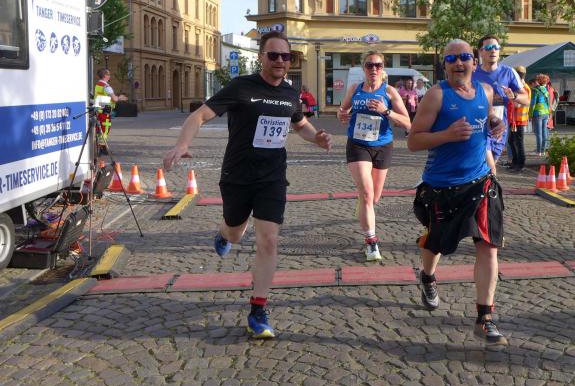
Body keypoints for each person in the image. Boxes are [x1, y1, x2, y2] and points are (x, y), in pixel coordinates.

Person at [162, 31, 332, 339]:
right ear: (261, 57)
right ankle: (224, 233)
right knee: (236, 232)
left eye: (285, 56)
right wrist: (181, 144)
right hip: (238, 175)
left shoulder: (291, 93)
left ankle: (258, 310)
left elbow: (300, 124)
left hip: (272, 177)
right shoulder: (241, 87)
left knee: (269, 240)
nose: (280, 61)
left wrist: (316, 137)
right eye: (273, 55)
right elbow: (199, 116)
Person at [408, 38, 507, 346]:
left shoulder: (486, 91)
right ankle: (427, 277)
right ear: (444, 66)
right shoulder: (436, 96)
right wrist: (447, 135)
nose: (459, 63)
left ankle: (484, 317)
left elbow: (484, 120)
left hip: (480, 182)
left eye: (464, 57)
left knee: (488, 246)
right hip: (442, 186)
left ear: (474, 62)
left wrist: (494, 123)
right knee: (436, 243)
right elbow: (413, 141)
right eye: (451, 59)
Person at [338, 52, 411, 261]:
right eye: (370, 65)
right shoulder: (355, 89)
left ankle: (363, 205)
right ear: (364, 68)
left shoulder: (389, 91)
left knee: (374, 197)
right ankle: (371, 242)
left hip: (383, 146)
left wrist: (386, 111)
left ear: (383, 68)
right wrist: (341, 115)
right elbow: (342, 110)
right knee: (367, 194)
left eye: (378, 65)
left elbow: (408, 123)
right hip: (358, 144)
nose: (374, 69)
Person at [472, 35, 529, 163]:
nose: (493, 50)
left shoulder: (508, 72)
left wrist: (514, 96)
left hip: (499, 128)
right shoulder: (472, 73)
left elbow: (526, 99)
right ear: (481, 51)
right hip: (477, 127)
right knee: (484, 166)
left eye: (496, 47)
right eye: (489, 47)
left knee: (491, 165)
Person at [94, 68, 128, 155]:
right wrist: (120, 97)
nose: (110, 76)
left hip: (99, 110)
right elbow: (114, 99)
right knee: (105, 130)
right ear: (105, 75)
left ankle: (101, 147)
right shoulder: (106, 87)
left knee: (99, 129)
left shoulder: (98, 85)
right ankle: (101, 148)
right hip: (105, 111)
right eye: (109, 74)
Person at [507, 65, 531, 172]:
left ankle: (520, 164)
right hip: (514, 118)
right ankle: (515, 161)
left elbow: (518, 104)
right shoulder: (520, 87)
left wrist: (511, 98)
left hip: (519, 119)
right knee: (511, 141)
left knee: (518, 142)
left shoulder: (523, 88)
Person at [531, 74, 551, 156]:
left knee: (538, 133)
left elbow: (533, 103)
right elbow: (548, 102)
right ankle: (543, 150)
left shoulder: (535, 90)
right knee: (544, 132)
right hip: (546, 113)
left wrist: (530, 114)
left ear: (538, 81)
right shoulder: (546, 90)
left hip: (538, 113)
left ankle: (538, 151)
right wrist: (549, 113)